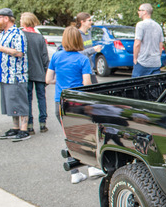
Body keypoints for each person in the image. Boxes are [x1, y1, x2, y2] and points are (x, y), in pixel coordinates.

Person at [45, 27, 94, 183]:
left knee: (69, 135)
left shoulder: (56, 57)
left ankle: (74, 172)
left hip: (60, 101)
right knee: (85, 134)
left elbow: (48, 79)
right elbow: (87, 83)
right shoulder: (82, 59)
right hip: (77, 101)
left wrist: (59, 82)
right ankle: (92, 167)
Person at [0, 7, 30, 142]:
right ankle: (15, 128)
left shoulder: (17, 34)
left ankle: (24, 129)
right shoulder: (3, 33)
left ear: (6, 18)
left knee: (20, 102)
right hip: (5, 76)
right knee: (11, 103)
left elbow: (20, 52)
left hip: (16, 75)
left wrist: (1, 48)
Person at [20, 12, 50, 134]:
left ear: (25, 21)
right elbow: (45, 57)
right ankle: (43, 124)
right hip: (39, 72)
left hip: (26, 72)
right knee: (41, 98)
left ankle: (30, 125)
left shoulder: (21, 35)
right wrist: (47, 72)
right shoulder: (39, 37)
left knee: (27, 99)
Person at [132, 3, 164, 78]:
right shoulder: (158, 26)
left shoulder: (140, 25)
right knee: (153, 86)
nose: (138, 12)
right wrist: (157, 57)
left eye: (139, 10)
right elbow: (160, 45)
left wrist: (135, 58)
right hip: (155, 63)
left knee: (136, 85)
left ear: (145, 12)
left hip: (143, 62)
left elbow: (137, 44)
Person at [75, 12, 103, 83]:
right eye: (89, 20)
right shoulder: (76, 34)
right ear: (82, 22)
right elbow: (77, 53)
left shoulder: (88, 33)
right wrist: (93, 49)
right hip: (81, 70)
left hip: (90, 68)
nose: (91, 22)